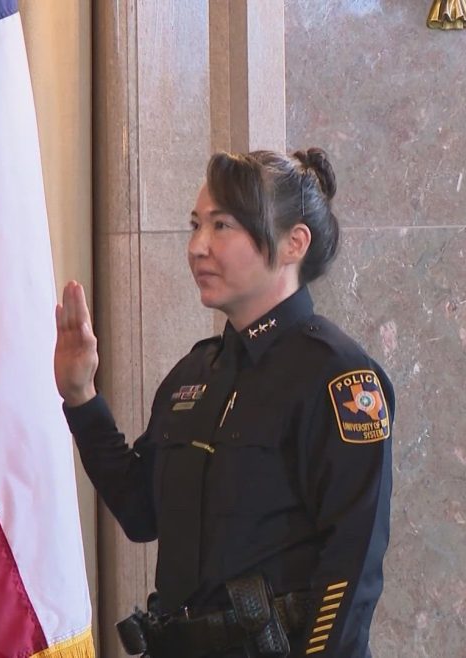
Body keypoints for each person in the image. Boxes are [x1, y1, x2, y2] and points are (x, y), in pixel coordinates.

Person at [54, 148, 393, 657]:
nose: (197, 247)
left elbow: (353, 563)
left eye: (222, 225)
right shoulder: (195, 373)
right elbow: (141, 513)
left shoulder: (338, 377)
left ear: (293, 243)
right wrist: (82, 397)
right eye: (196, 225)